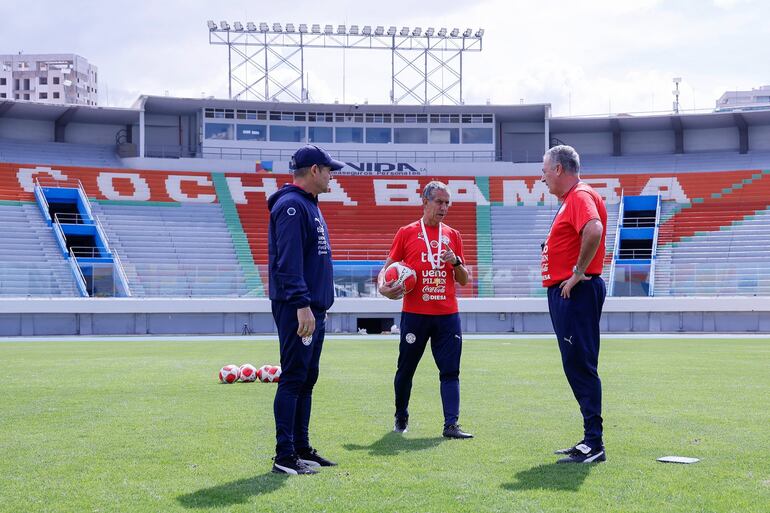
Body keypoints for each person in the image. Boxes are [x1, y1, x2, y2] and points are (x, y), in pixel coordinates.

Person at [267, 145, 343, 475]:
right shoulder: (292, 207)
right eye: (329, 171)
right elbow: (288, 263)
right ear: (314, 170)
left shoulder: (308, 205)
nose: (332, 177)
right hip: (299, 308)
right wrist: (302, 304)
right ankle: (284, 456)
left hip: (313, 308)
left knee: (307, 378)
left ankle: (300, 447)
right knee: (294, 377)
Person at [378, 181, 473, 439]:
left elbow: (464, 280)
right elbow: (386, 271)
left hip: (447, 317)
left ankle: (451, 425)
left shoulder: (453, 235)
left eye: (447, 203)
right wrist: (383, 288)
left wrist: (455, 262)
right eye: (439, 202)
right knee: (406, 369)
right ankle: (401, 414)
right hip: (415, 316)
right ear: (425, 201)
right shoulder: (406, 233)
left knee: (451, 371)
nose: (444, 207)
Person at [540, 145, 608, 464]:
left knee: (580, 364)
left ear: (558, 169)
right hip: (570, 293)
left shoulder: (580, 195)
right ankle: (589, 440)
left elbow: (593, 229)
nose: (542, 178)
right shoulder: (572, 199)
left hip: (576, 293)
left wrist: (577, 273)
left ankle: (594, 442)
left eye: (544, 171)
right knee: (576, 363)